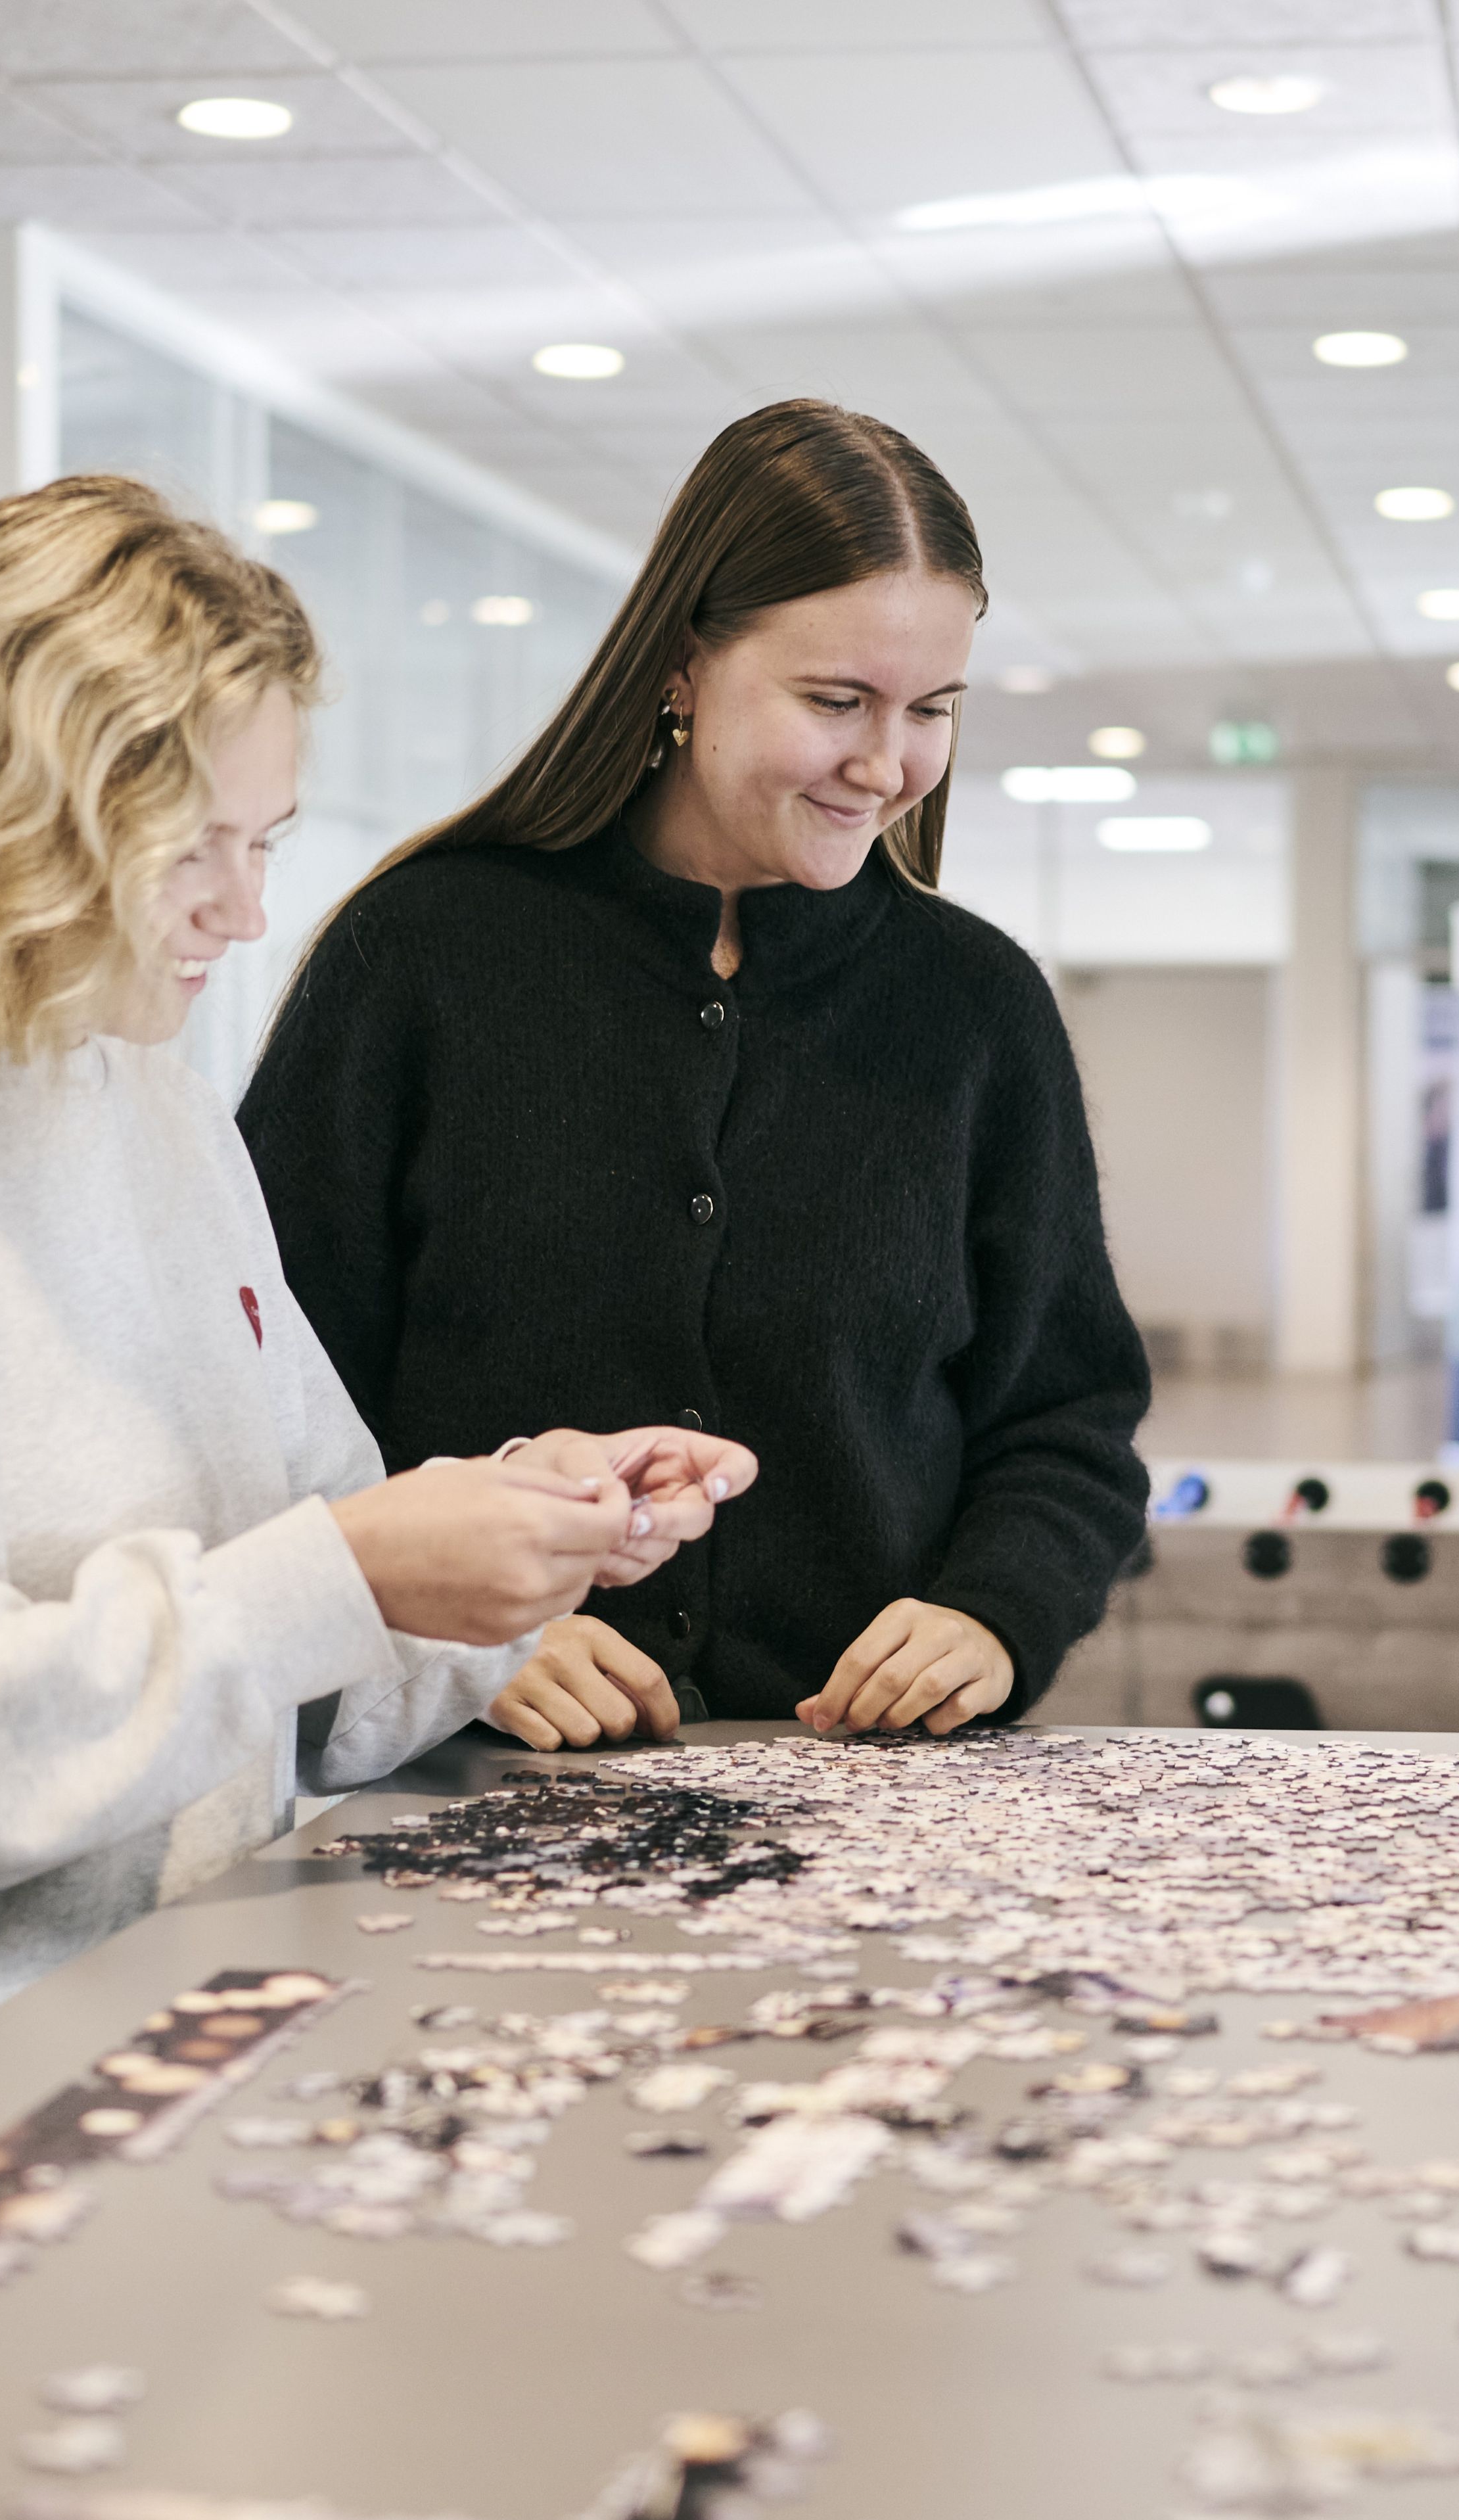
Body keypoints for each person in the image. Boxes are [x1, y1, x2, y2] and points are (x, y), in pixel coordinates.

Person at [0, 475, 751, 2205]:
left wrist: (516, 1534)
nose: (246, 917)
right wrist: (339, 1568)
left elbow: (297, 1625)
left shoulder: (151, 1100)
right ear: (16, 810)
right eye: (194, 851)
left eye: (268, 843)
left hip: (150, 2016)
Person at [240, 400, 1149, 1754]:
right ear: (679, 666)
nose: (887, 764)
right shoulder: (423, 954)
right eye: (835, 701)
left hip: (878, 1812)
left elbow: (1066, 1420)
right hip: (481, 1796)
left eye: (931, 710)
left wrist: (993, 1617)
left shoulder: (977, 1009)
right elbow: (262, 1397)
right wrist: (446, 1637)